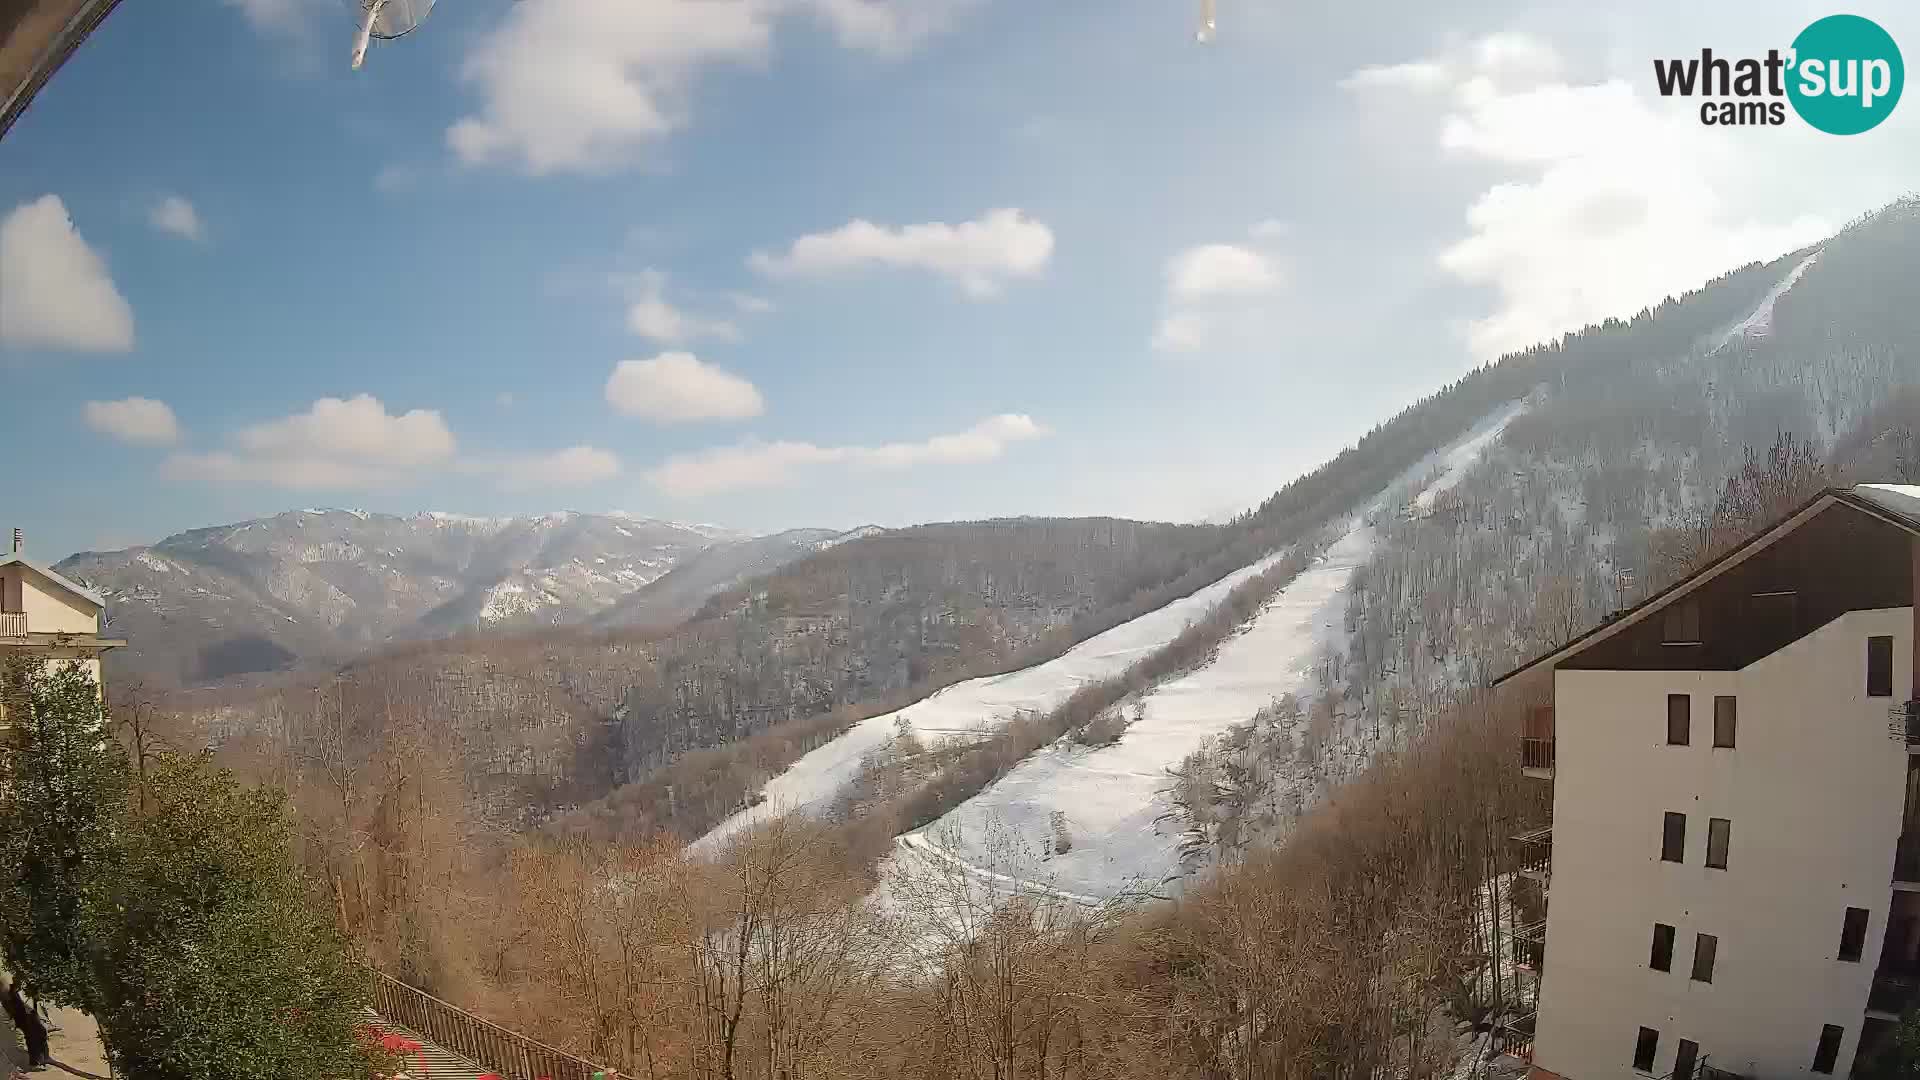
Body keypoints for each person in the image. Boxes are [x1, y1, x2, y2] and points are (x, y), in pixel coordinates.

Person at [0, 979, 48, 1071]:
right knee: (15, 1041)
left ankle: (37, 1061)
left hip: (21, 1014)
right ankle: (24, 1064)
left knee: (36, 1034)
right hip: (16, 1015)